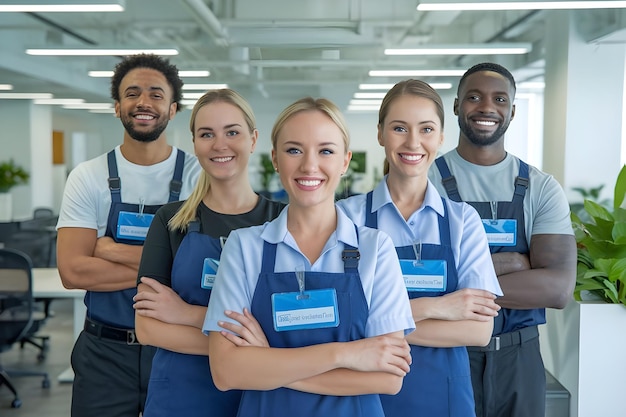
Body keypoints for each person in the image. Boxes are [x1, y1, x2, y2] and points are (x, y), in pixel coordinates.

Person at [202, 97, 415, 417]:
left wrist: (268, 361)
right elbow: (227, 372)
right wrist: (346, 355)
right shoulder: (244, 247)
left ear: (345, 161)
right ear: (275, 159)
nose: (309, 166)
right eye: (294, 150)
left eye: (326, 151)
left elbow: (388, 378)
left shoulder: (375, 249)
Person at [337, 79, 502, 417]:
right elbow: (343, 322)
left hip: (444, 398)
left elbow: (478, 329)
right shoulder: (346, 217)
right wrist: (436, 306)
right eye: (400, 128)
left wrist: (378, 322)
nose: (413, 142)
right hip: (363, 395)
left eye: (426, 129)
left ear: (441, 137)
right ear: (381, 133)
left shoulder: (462, 221)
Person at [56, 54, 202, 417]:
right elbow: (73, 272)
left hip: (177, 349)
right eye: (132, 93)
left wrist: (109, 250)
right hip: (104, 352)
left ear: (172, 109)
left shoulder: (199, 175)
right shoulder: (87, 176)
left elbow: (200, 269)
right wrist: (164, 269)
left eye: (156, 94)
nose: (143, 102)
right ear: (117, 106)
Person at [428, 62, 576, 417]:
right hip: (446, 354)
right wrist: (517, 262)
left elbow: (556, 289)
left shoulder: (540, 187)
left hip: (519, 360)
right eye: (474, 97)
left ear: (512, 110)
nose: (486, 107)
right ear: (456, 105)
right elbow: (417, 282)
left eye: (499, 99)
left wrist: (461, 280)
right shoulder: (426, 182)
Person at [132, 89, 286, 417]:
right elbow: (148, 328)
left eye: (232, 132)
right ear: (194, 142)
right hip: (182, 396)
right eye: (207, 134)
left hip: (260, 394)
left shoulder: (283, 221)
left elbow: (284, 327)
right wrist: (246, 346)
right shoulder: (171, 221)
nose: (220, 145)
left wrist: (187, 314)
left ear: (253, 138)